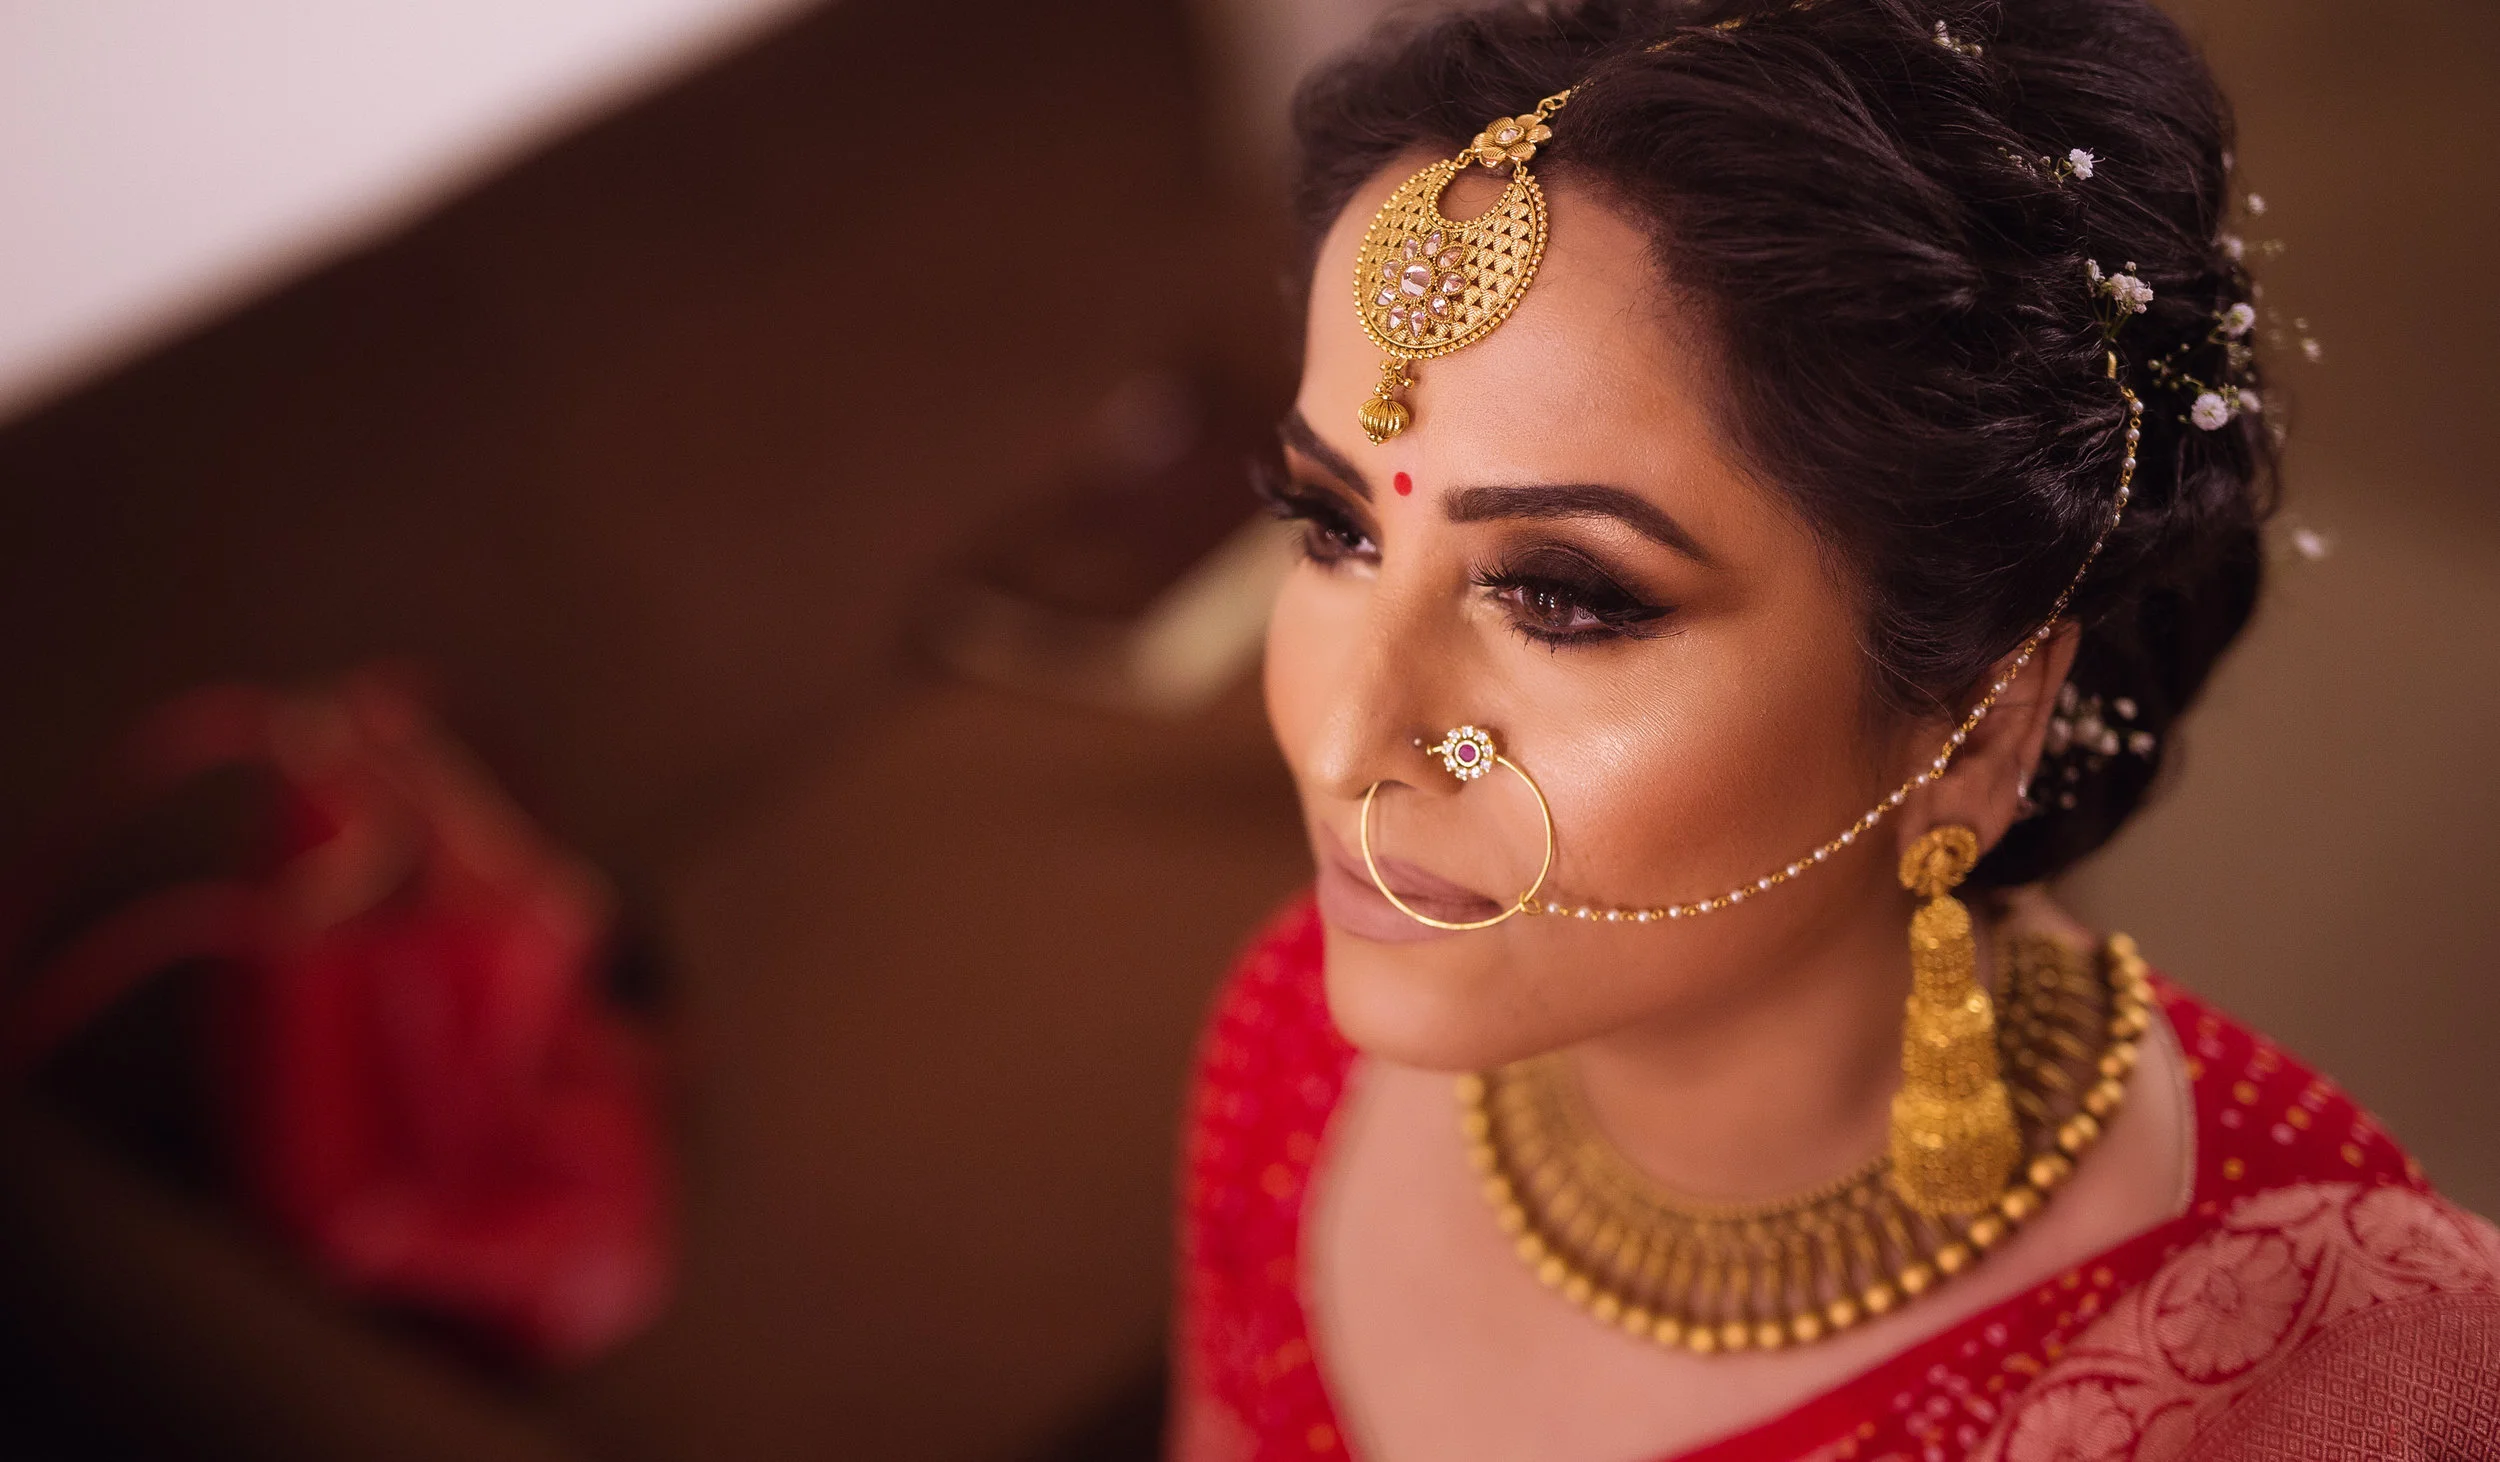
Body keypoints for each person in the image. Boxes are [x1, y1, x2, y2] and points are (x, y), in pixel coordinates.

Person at [1170, 1, 2500, 1458]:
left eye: (1562, 595)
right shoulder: (1298, 1030)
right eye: (1334, 525)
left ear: (1983, 721)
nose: (1347, 728)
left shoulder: (2319, 1374)